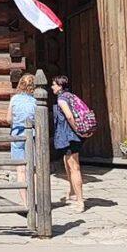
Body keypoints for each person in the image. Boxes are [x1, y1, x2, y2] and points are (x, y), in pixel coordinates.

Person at [52, 74, 84, 213]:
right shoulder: (71, 96)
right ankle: (72, 192)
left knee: (74, 167)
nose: (52, 87)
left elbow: (69, 116)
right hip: (70, 136)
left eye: (54, 84)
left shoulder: (62, 100)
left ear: (60, 86)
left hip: (69, 137)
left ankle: (80, 201)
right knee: (68, 162)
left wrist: (77, 130)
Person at [8, 73, 36, 207]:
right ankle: (34, 199)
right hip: (32, 135)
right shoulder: (35, 101)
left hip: (17, 134)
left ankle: (25, 202)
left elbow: (8, 119)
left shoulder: (14, 99)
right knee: (33, 169)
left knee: (20, 171)